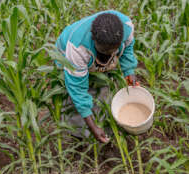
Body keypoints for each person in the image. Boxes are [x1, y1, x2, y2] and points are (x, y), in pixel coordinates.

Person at [55, 10, 140, 143]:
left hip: (91, 53)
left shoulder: (126, 27)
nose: (107, 56)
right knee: (73, 98)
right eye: (103, 51)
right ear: (93, 39)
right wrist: (92, 126)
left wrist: (129, 71)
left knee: (102, 88)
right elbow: (77, 89)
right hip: (66, 54)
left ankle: (105, 124)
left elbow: (128, 49)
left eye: (111, 52)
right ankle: (78, 136)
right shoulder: (77, 48)